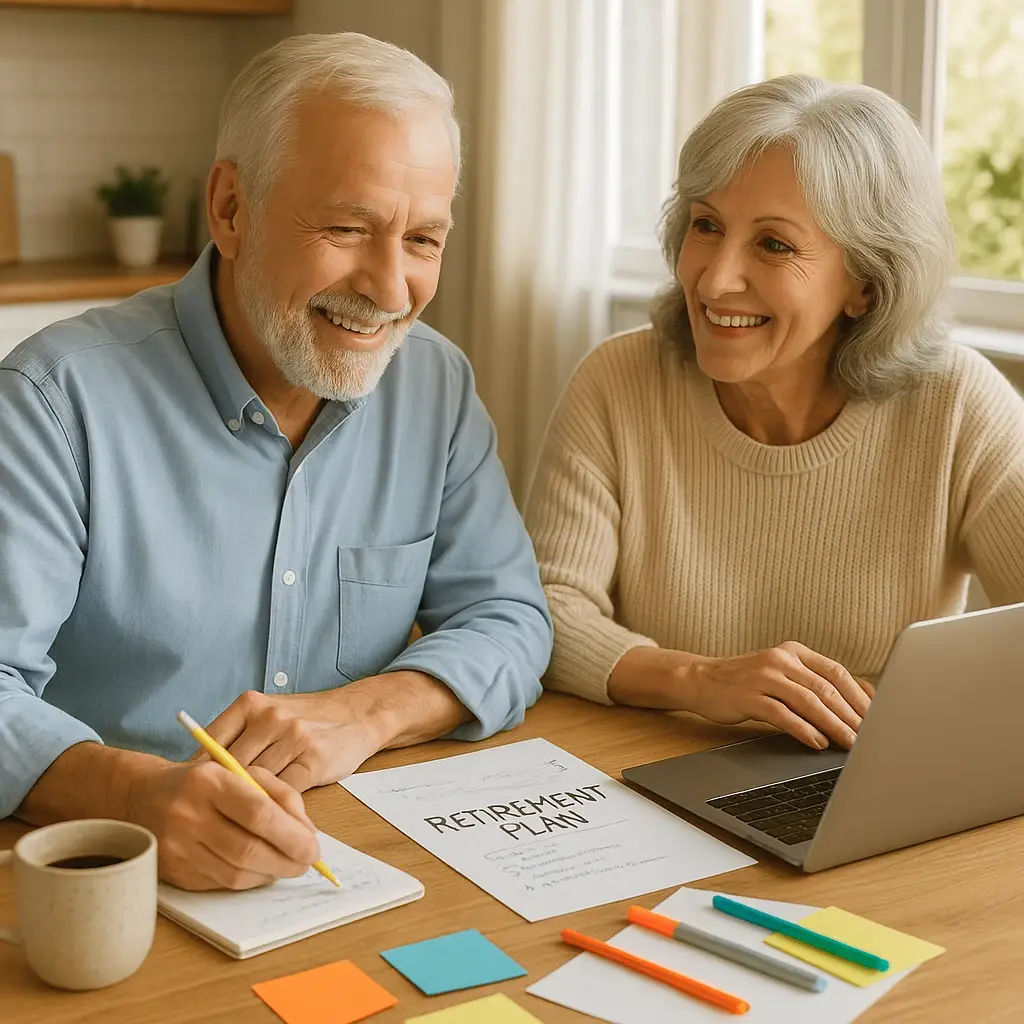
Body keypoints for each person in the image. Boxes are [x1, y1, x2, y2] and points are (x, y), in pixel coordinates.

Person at [0, 33, 552, 891]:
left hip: (359, 860)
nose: (390, 289)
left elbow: (510, 619)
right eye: (347, 227)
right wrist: (139, 796)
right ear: (230, 208)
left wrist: (361, 714)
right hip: (107, 872)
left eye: (423, 240)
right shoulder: (53, 398)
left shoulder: (435, 384)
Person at [525, 75, 1024, 754]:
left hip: (868, 780)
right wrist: (700, 680)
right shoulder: (618, 382)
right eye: (707, 226)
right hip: (646, 770)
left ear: (866, 286)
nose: (714, 277)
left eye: (774, 244)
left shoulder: (958, 405)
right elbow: (545, 612)